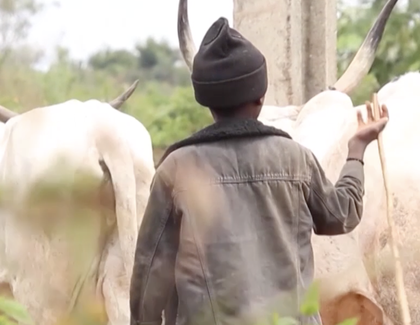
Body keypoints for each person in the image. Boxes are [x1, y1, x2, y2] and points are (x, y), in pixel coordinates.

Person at [128, 17, 389, 325]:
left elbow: (150, 272)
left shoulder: (176, 169)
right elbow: (342, 215)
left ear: (205, 101)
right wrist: (357, 149)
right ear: (261, 96)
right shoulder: (295, 158)